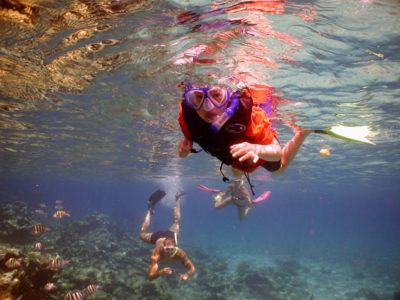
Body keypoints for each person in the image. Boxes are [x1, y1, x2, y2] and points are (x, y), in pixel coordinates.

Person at [177, 82, 312, 204]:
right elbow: (188, 142)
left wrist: (255, 149)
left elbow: (277, 153)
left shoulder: (250, 117)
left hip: (255, 147)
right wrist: (184, 151)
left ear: (229, 95)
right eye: (199, 97)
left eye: (217, 95)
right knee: (236, 166)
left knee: (279, 170)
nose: (208, 107)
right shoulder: (188, 118)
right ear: (190, 99)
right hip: (234, 155)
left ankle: (302, 133)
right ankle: (238, 184)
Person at [139, 190, 196, 281]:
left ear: (175, 247)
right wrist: (160, 273)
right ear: (163, 247)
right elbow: (150, 277)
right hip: (159, 237)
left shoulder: (180, 253)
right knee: (142, 234)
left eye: (171, 249)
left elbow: (192, 268)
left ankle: (177, 197)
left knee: (177, 221)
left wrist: (187, 275)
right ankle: (150, 210)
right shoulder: (156, 254)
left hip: (171, 234)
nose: (169, 252)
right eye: (167, 249)